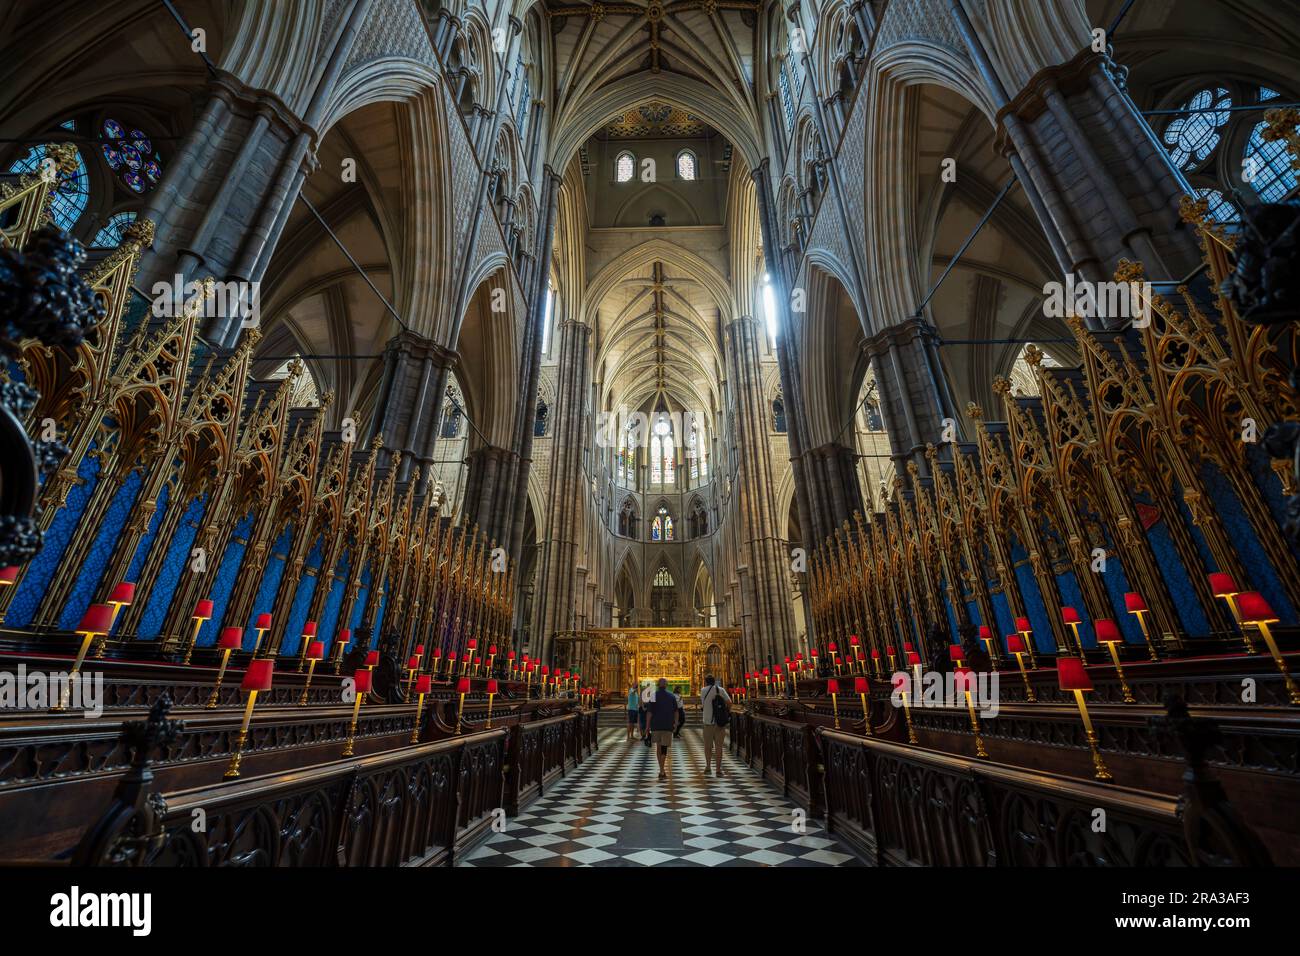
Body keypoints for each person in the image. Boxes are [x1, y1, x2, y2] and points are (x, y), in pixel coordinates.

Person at [645, 677, 680, 780]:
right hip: (667, 725)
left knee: (658, 747)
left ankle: (661, 770)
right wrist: (676, 723)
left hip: (656, 725)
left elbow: (649, 712)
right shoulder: (671, 696)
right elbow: (676, 711)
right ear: (667, 685)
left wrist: (647, 726)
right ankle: (662, 770)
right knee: (664, 748)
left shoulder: (653, 696)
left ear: (657, 685)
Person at [700, 675, 732, 777]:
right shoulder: (720, 690)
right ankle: (718, 769)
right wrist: (726, 712)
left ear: (705, 682)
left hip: (708, 722)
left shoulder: (703, 690)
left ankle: (708, 766)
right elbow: (729, 702)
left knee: (707, 747)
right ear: (714, 681)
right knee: (719, 747)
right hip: (719, 723)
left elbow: (703, 704)